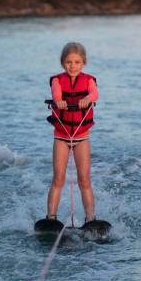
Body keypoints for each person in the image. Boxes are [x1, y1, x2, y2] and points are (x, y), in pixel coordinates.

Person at [45, 42, 98, 227]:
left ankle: (90, 219)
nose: (72, 66)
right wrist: (58, 102)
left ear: (83, 63)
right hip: (62, 137)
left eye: (77, 62)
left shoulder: (89, 80)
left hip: (81, 137)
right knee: (58, 178)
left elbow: (94, 94)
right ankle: (51, 218)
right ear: (62, 63)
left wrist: (86, 99)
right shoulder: (57, 81)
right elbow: (56, 94)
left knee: (84, 179)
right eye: (68, 62)